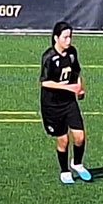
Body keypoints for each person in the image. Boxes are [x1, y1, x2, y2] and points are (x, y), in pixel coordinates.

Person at [39, 22, 91, 184]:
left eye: (70, 37)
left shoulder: (72, 53)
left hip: (69, 102)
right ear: (56, 38)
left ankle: (77, 163)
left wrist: (80, 89)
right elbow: (45, 82)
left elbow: (76, 73)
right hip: (52, 105)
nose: (68, 41)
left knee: (80, 136)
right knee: (63, 140)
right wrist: (68, 87)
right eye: (65, 37)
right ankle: (65, 171)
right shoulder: (48, 57)